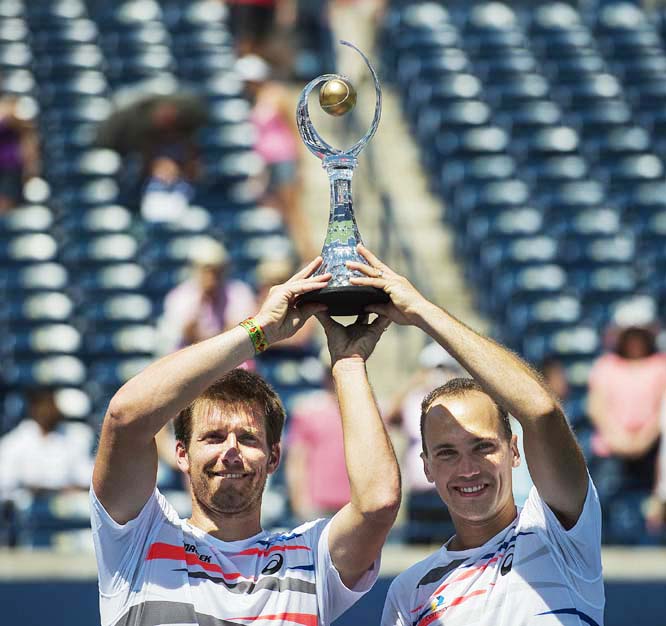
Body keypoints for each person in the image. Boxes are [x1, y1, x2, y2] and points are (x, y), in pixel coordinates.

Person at [90, 256, 401, 626]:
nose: (231, 451)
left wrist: (348, 363)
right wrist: (259, 331)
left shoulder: (307, 558)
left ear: (274, 457)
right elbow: (125, 418)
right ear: (181, 453)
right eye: (214, 436)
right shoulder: (136, 541)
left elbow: (378, 503)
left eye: (249, 438)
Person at [334, 246, 602, 625]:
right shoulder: (410, 592)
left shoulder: (560, 531)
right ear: (425, 467)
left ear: (514, 451)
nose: (468, 468)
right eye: (446, 453)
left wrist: (423, 313)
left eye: (483, 447)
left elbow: (541, 412)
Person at [236, 54, 317, 262]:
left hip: (284, 159)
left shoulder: (277, 95)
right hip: (268, 163)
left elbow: (294, 128)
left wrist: (300, 163)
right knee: (278, 209)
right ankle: (293, 254)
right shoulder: (255, 99)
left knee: (293, 210)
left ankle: (309, 254)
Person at [157, 238, 257, 353]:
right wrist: (201, 302)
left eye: (216, 270)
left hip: (230, 356)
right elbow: (183, 335)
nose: (211, 277)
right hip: (190, 354)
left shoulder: (239, 293)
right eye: (206, 270)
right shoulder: (180, 296)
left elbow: (241, 335)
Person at [0, 388, 94, 502]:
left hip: (63, 504)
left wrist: (67, 490)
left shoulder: (74, 437)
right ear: (33, 409)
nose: (48, 410)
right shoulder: (14, 441)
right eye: (43, 405)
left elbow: (86, 478)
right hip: (27, 507)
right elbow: (6, 482)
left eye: (51, 404)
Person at [285, 371, 351, 521]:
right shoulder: (308, 410)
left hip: (354, 505)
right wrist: (299, 501)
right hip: (318, 507)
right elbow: (297, 458)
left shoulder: (365, 410)